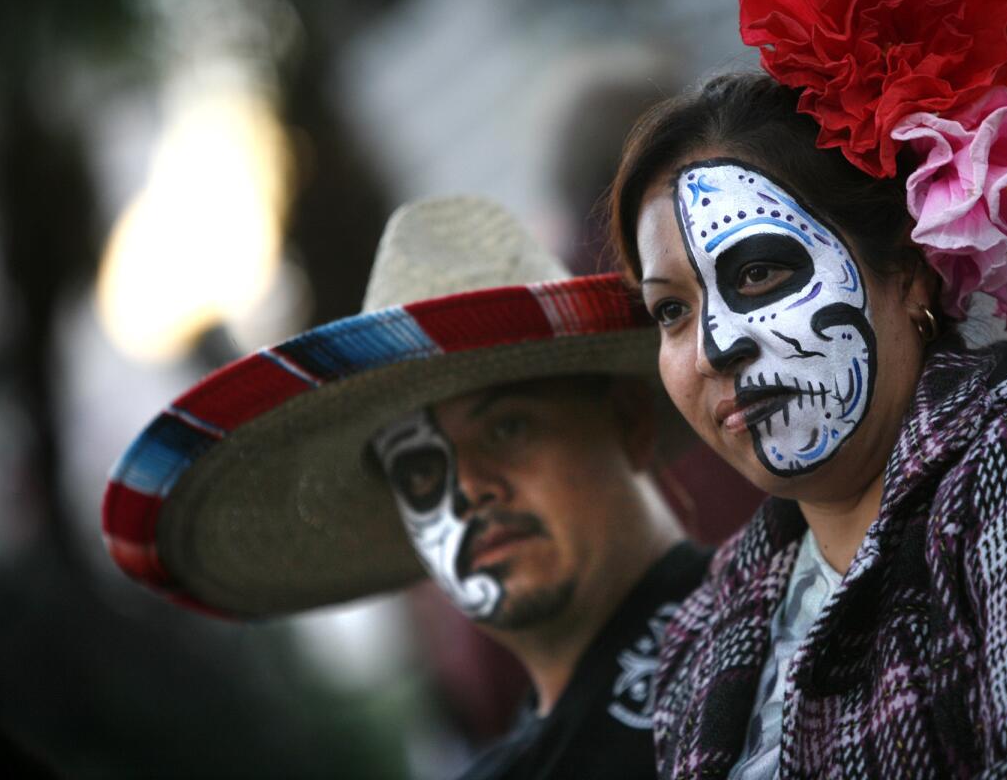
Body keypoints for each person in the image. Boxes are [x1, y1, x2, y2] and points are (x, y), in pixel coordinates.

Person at [610, 0, 1007, 777]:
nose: (715, 347)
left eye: (757, 274)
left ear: (910, 269)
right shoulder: (705, 635)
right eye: (671, 312)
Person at [101, 196, 709, 779]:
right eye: (419, 474)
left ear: (631, 420)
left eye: (508, 427)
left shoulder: (780, 637)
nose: (468, 488)